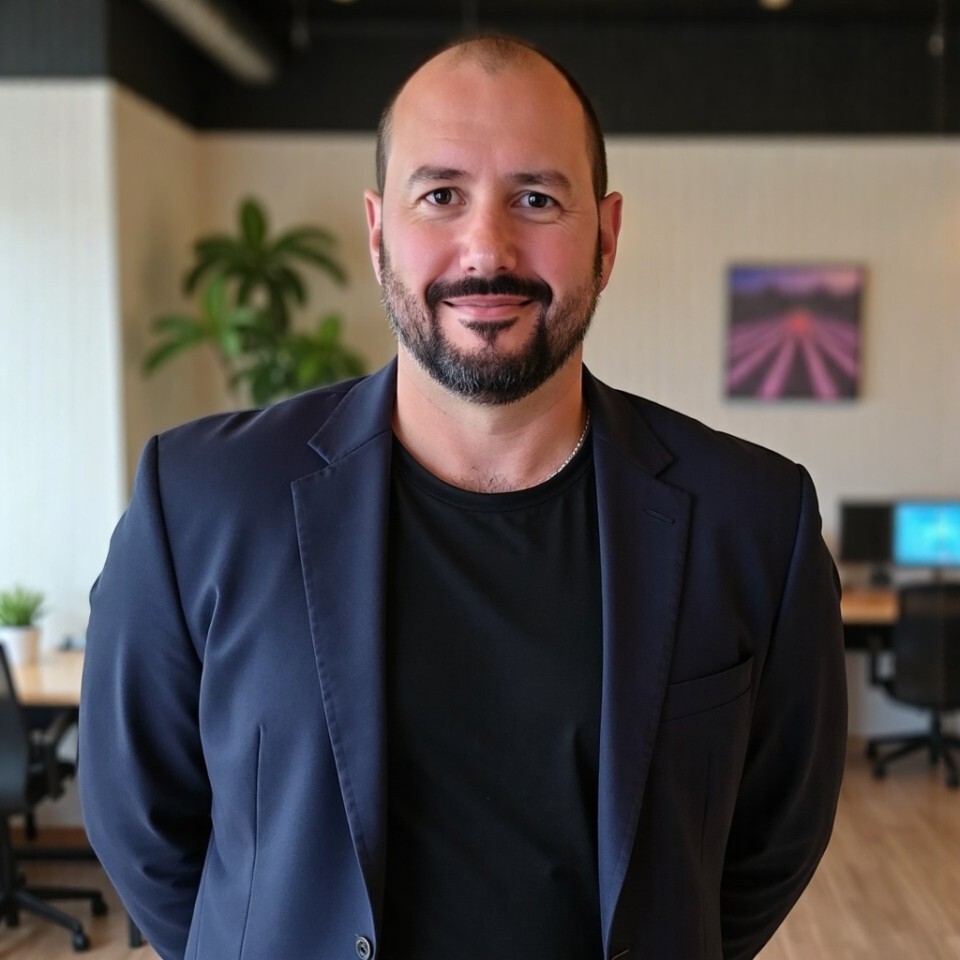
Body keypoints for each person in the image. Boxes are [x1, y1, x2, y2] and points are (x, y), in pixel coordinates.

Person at [79, 35, 847, 960]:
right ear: (377, 232)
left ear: (604, 237)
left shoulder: (755, 518)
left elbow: (774, 835)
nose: (487, 247)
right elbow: (141, 823)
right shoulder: (200, 499)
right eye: (440, 195)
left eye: (536, 197)